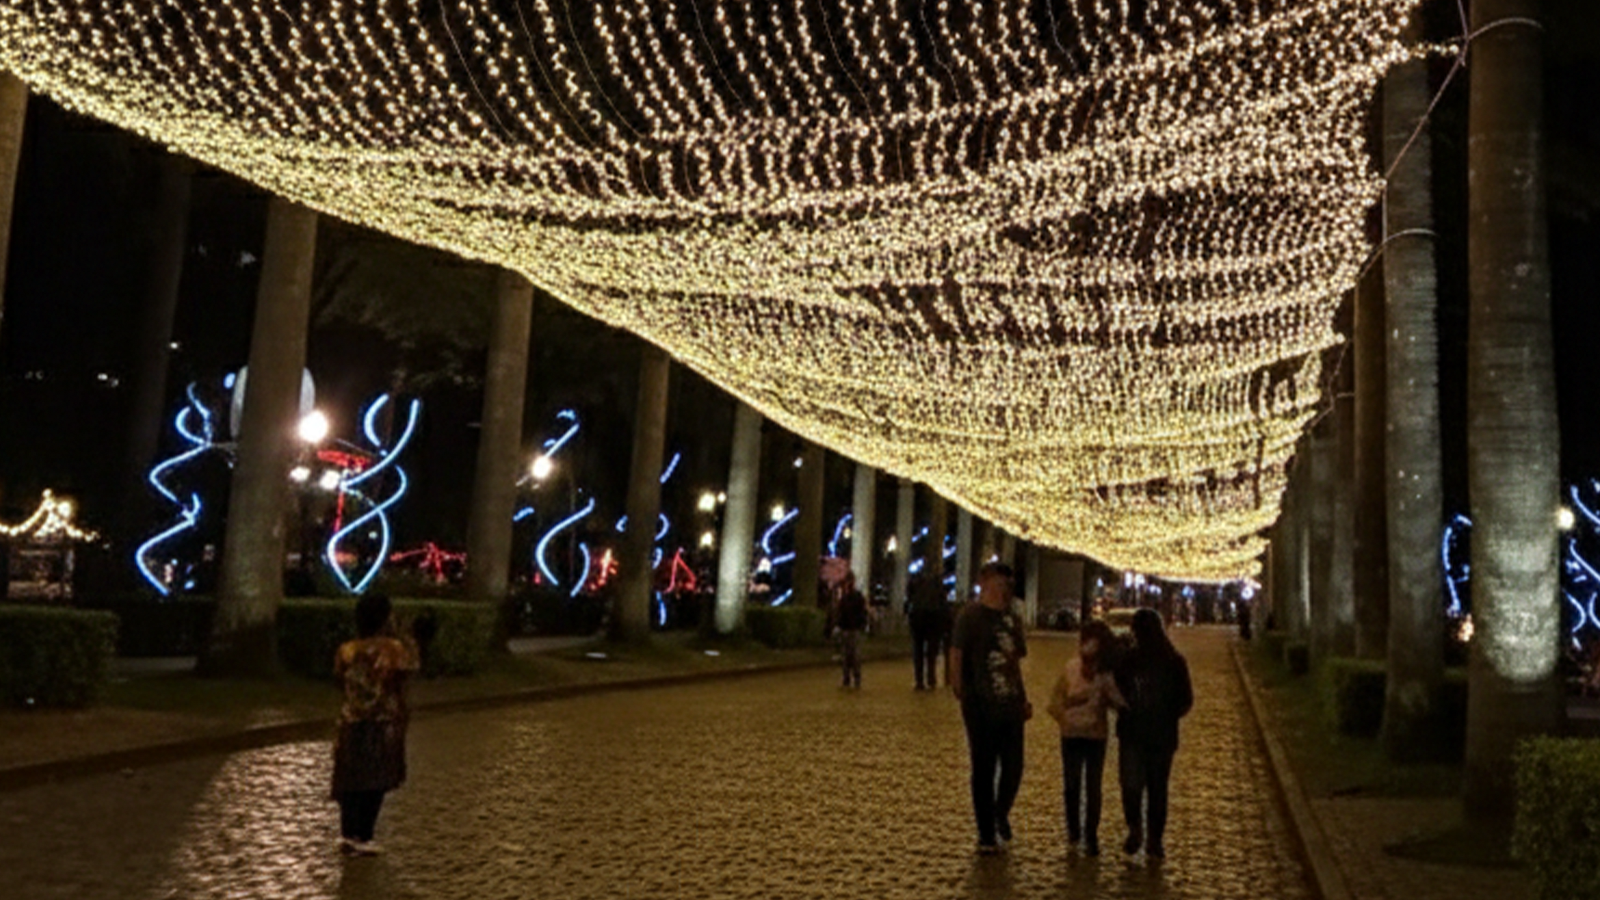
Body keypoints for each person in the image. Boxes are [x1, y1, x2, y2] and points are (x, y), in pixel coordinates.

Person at [950, 562, 1031, 854]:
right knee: (984, 767)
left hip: (1010, 701)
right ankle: (986, 832)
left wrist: (1022, 697)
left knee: (1013, 767)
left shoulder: (1011, 618)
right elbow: (957, 652)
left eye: (1007, 584)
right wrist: (958, 686)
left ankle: (1000, 813)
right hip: (980, 702)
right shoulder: (970, 616)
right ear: (985, 583)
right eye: (999, 583)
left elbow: (1016, 659)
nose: (1003, 589)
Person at [330, 593, 419, 856]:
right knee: (376, 779)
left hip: (351, 720)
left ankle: (347, 833)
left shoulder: (346, 650)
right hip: (383, 721)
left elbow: (338, 680)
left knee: (350, 778)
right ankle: (365, 834)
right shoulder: (393, 650)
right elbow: (409, 671)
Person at [1114, 608, 1193, 861]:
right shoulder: (1173, 660)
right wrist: (1168, 715)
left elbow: (1116, 691)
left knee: (1132, 786)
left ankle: (1136, 828)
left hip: (1133, 733)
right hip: (1161, 734)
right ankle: (1153, 841)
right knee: (1157, 790)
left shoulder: (1129, 660)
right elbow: (1186, 700)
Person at [1046, 619, 1127, 856]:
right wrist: (1068, 711)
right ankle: (1075, 832)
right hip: (1072, 734)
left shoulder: (1105, 674)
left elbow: (1116, 701)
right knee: (1074, 785)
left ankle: (1089, 835)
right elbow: (1055, 701)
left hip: (1094, 736)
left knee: (1091, 787)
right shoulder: (1071, 668)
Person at [907, 570, 950, 690]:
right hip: (934, 622)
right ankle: (931, 678)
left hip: (917, 620)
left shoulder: (916, 586)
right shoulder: (937, 589)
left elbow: (910, 599)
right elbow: (944, 607)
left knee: (918, 652)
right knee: (932, 652)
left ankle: (919, 680)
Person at [831, 571, 870, 689]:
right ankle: (848, 678)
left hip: (853, 629)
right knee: (848, 656)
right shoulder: (848, 597)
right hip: (849, 628)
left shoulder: (852, 597)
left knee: (853, 656)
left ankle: (853, 679)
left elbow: (860, 612)